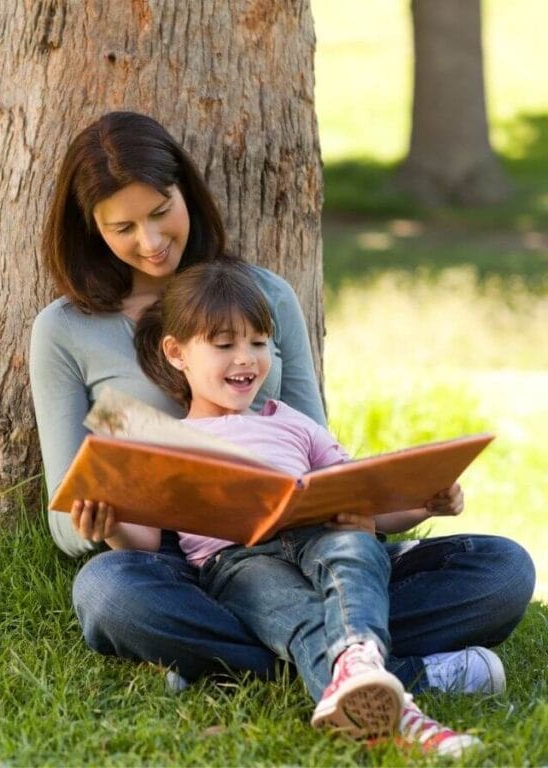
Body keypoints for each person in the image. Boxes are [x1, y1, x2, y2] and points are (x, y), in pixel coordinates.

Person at [28, 110, 535, 739]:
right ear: (91, 229)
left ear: (186, 190)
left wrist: (400, 500)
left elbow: (317, 457)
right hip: (185, 564)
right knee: (108, 594)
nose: (151, 240)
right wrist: (98, 521)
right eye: (122, 227)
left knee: (503, 569)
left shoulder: (262, 295)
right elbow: (62, 510)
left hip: (310, 547)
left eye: (161, 211)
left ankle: (232, 668)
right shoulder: (66, 329)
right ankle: (396, 671)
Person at [131, 258, 479, 752]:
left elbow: (365, 499)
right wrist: (109, 524)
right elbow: (141, 542)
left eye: (258, 342)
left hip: (322, 532)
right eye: (224, 344)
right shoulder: (168, 444)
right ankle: (404, 713)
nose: (245, 359)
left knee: (358, 547)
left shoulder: (291, 421)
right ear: (177, 352)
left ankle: (356, 658)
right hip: (240, 562)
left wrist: (425, 505)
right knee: (295, 613)